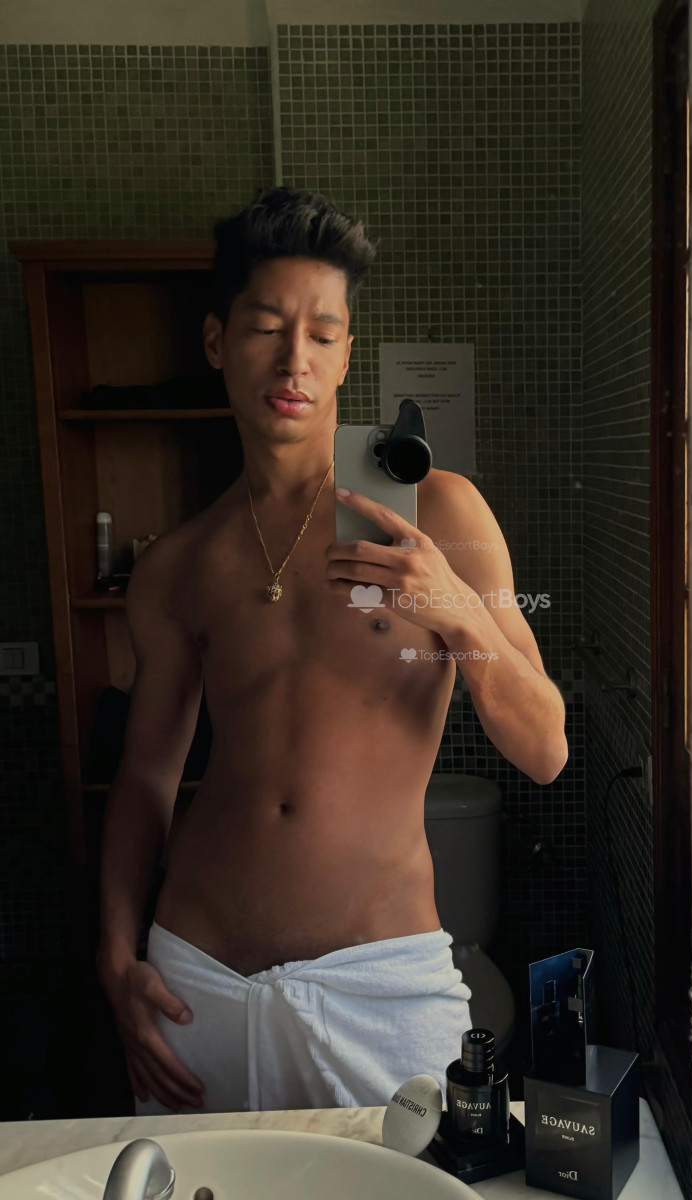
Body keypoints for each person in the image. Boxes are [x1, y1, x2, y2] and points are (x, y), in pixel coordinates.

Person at [96, 186, 568, 1115]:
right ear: (217, 342)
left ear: (348, 352)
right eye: (267, 327)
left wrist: (457, 613)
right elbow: (146, 779)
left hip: (382, 987)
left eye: (322, 333)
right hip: (197, 981)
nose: (294, 359)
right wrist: (115, 956)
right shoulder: (179, 565)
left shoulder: (435, 510)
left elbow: (547, 749)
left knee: (422, 1178)